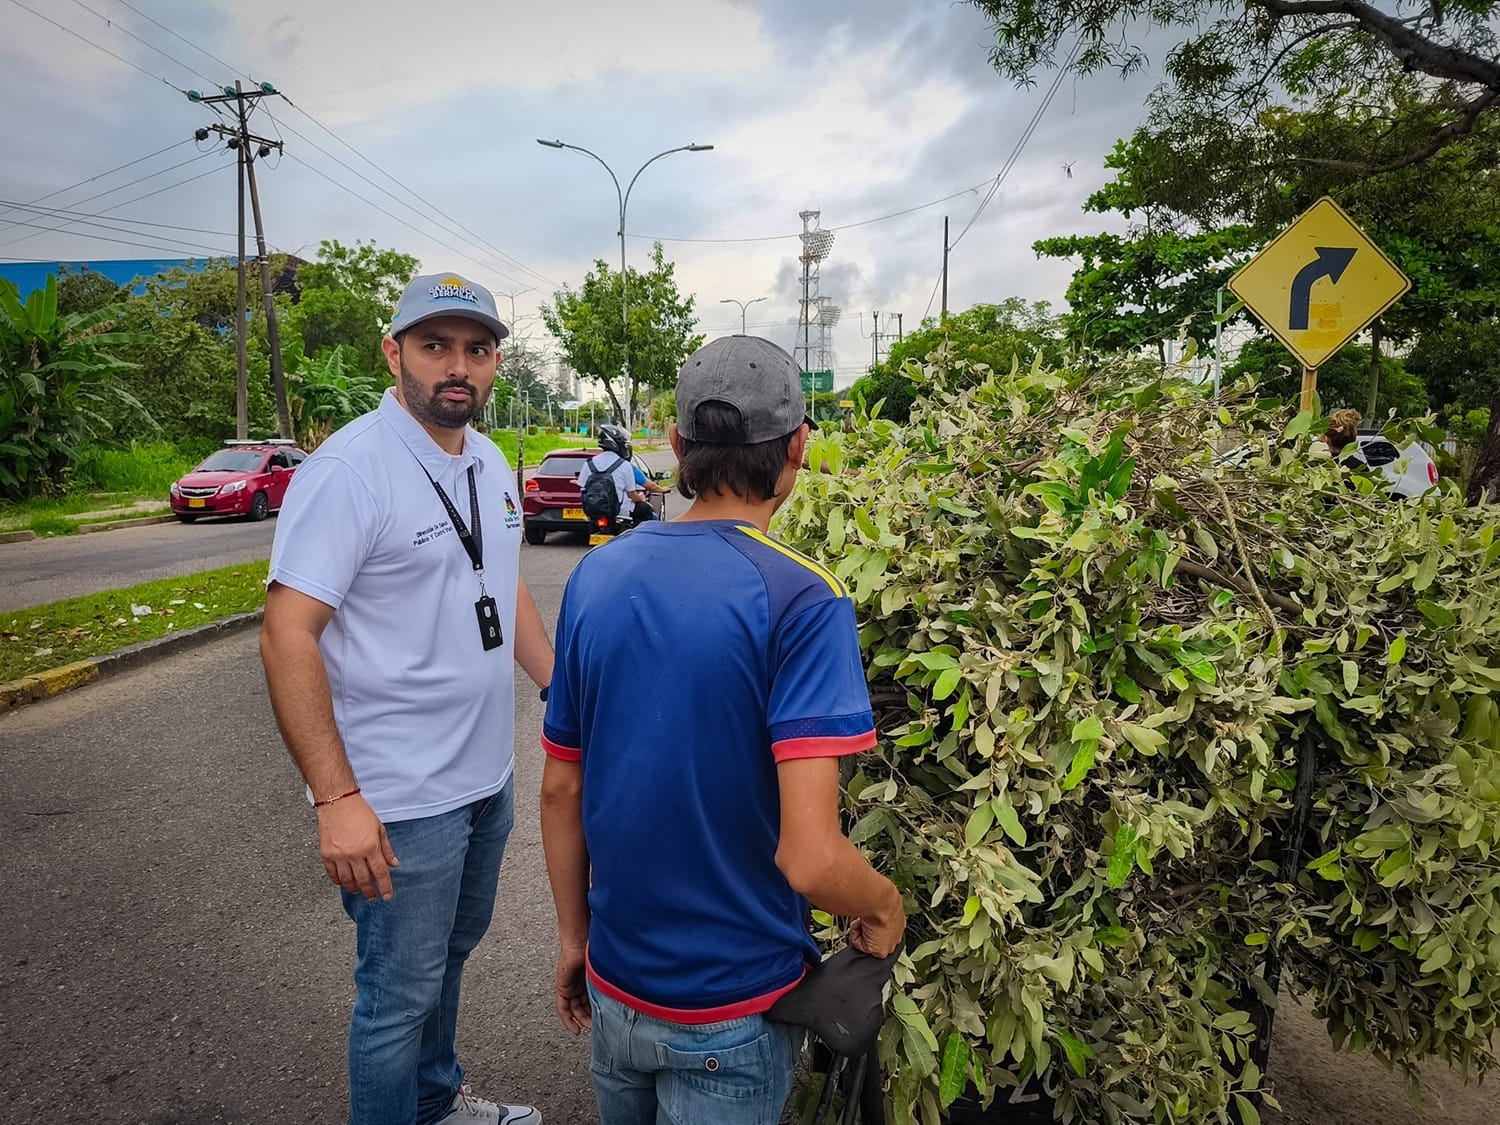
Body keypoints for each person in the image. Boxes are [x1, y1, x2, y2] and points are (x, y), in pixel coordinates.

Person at [538, 335, 907, 1124]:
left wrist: (576, 938)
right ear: (799, 447)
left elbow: (561, 785)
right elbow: (809, 856)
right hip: (733, 1011)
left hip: (616, 986)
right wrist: (881, 908)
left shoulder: (596, 576)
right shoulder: (805, 599)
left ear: (676, 447)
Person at [260, 272, 552, 1125]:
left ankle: (434, 1102)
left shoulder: (490, 460)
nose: (457, 366)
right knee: (395, 996)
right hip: (397, 798)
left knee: (449, 959)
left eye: (477, 348)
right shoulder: (351, 469)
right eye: (435, 345)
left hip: (483, 777)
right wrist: (337, 796)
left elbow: (505, 586)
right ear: (393, 353)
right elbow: (287, 633)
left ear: (496, 360)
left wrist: (559, 685)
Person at [577, 424, 645, 523]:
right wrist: (641, 498)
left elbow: (583, 489)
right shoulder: (624, 465)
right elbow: (632, 495)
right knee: (648, 512)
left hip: (593, 514)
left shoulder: (589, 463)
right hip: (621, 513)